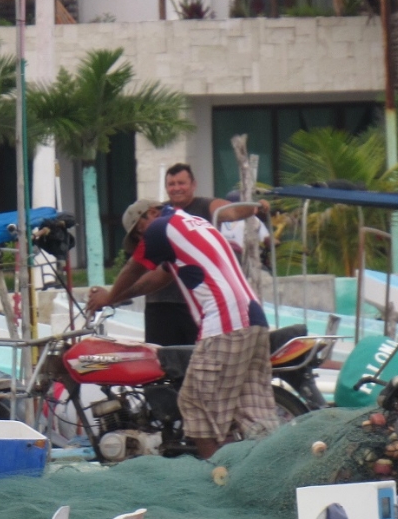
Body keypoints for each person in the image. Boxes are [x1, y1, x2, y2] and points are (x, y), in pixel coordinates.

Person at [87, 199, 279, 459]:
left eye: (139, 231)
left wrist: (109, 297)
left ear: (151, 213)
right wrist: (117, 297)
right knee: (253, 412)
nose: (142, 237)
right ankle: (269, 467)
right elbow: (158, 277)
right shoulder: (192, 224)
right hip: (253, 320)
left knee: (194, 404)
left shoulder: (161, 227)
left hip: (226, 323)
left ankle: (216, 478)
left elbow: (134, 268)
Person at [114, 163, 266, 346]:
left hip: (197, 302)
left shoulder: (203, 207)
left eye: (181, 183)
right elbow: (144, 269)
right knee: (162, 363)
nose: (176, 188)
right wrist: (114, 296)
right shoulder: (157, 217)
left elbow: (231, 211)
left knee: (193, 358)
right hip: (160, 302)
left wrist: (255, 208)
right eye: (171, 184)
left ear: (193, 185)